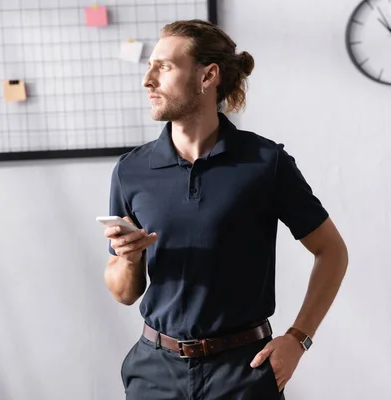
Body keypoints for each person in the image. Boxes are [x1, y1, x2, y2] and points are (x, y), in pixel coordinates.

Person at [103, 19, 348, 400]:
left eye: (163, 66)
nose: (147, 80)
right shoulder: (131, 170)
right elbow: (123, 293)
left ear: (208, 76)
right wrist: (129, 260)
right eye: (149, 66)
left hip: (243, 372)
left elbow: (332, 251)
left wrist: (298, 340)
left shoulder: (266, 163)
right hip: (154, 372)